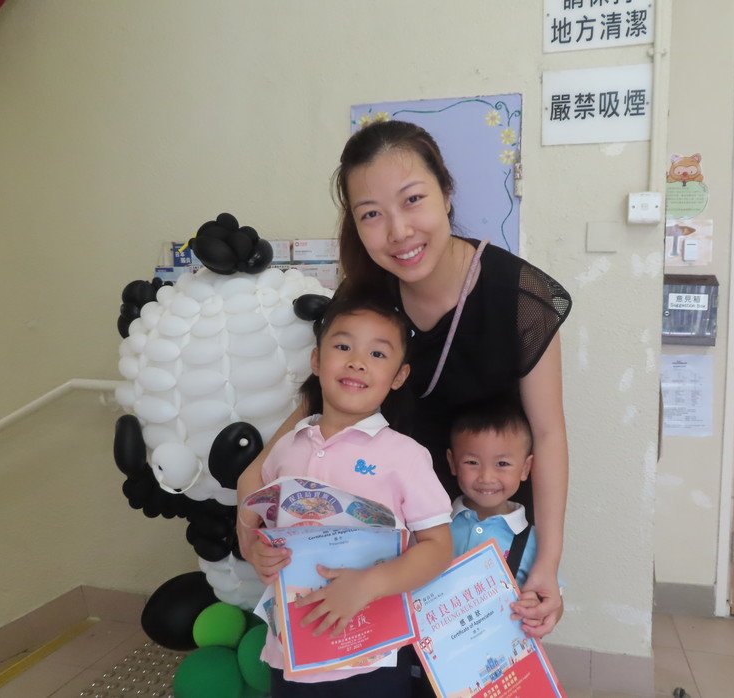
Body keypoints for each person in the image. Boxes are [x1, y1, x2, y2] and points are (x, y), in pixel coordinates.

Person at [239, 119, 571, 637]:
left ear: (446, 193)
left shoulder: (518, 297)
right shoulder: (365, 291)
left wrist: (547, 561)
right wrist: (256, 475)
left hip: (478, 529)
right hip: (378, 539)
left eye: (413, 200)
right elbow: (326, 395)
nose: (398, 232)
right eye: (372, 214)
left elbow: (547, 435)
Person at [245, 291, 453, 697]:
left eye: (377, 354)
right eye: (343, 347)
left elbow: (438, 548)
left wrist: (367, 585)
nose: (357, 361)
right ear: (317, 360)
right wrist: (259, 553)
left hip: (372, 657)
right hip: (292, 651)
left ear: (399, 376)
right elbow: (269, 528)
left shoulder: (406, 457)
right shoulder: (286, 448)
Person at [447, 400, 540, 592]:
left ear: (525, 468)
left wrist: (533, 604)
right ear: (452, 462)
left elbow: (553, 601)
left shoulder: (535, 541)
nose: (487, 477)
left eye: (502, 464)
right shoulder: (435, 523)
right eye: (472, 462)